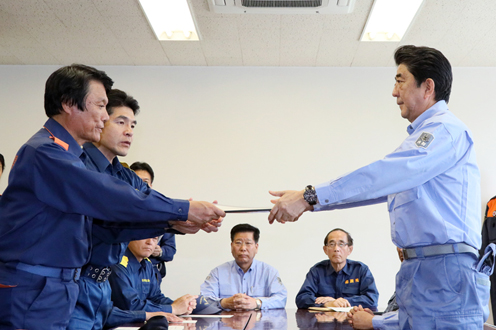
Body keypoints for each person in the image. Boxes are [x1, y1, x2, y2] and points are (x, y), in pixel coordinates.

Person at [268, 45, 491, 328]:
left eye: (400, 80)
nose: (394, 92)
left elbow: (384, 175)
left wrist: (309, 196)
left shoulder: (445, 131)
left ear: (428, 87)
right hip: (420, 270)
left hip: (444, 270)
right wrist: (308, 201)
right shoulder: (421, 138)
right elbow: (378, 188)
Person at [0, 64, 225, 330]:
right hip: (36, 289)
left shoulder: (70, 155)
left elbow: (111, 223)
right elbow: (109, 200)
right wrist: (182, 210)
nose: (105, 116)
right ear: (69, 103)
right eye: (100, 106)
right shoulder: (46, 153)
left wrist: (174, 222)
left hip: (58, 289)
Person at [69, 89, 197, 329]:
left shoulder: (124, 174)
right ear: (99, 121)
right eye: (121, 122)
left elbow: (154, 201)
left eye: (133, 125)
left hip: (100, 284)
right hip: (74, 284)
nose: (129, 131)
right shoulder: (79, 166)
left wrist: (188, 215)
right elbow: (116, 220)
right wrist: (180, 215)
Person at [200, 223, 287, 310]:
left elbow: (281, 298)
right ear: (231, 246)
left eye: (248, 243)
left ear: (256, 247)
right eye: (238, 243)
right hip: (227, 322)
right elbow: (203, 300)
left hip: (259, 322)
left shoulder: (269, 272)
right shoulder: (217, 272)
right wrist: (223, 303)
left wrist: (257, 303)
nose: (243, 248)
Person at [109, 237, 198, 315]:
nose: (150, 242)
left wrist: (182, 305)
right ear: (131, 235)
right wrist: (173, 309)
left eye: (154, 238)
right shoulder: (117, 264)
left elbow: (156, 298)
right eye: (145, 236)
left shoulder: (147, 263)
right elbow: (131, 306)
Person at [296, 228, 378, 309]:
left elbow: (372, 299)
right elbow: (301, 298)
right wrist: (327, 304)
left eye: (341, 244)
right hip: (324, 320)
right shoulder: (317, 270)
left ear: (350, 249)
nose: (336, 249)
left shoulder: (360, 270)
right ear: (325, 250)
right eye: (332, 244)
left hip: (352, 320)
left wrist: (339, 302)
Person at [131, 161, 177, 285]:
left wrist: (159, 251)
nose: (140, 186)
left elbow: (170, 251)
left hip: (152, 274)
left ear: (151, 185)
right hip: (123, 272)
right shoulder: (119, 211)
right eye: (136, 181)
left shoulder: (162, 213)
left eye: (145, 182)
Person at [347, 248, 404, 330]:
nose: (401, 250)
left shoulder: (424, 279)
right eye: (399, 244)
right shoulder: (405, 278)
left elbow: (417, 319)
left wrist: (372, 321)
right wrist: (370, 317)